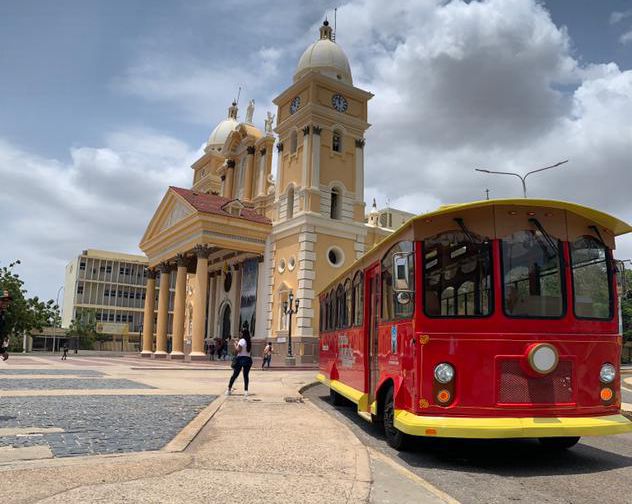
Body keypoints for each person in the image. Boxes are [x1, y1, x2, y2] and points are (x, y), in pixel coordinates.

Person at [226, 322, 252, 398]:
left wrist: (235, 344)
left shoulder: (242, 341)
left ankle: (229, 389)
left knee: (235, 375)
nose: (240, 334)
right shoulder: (249, 341)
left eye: (241, 333)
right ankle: (246, 391)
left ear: (243, 334)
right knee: (246, 376)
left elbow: (238, 350)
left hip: (240, 359)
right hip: (247, 359)